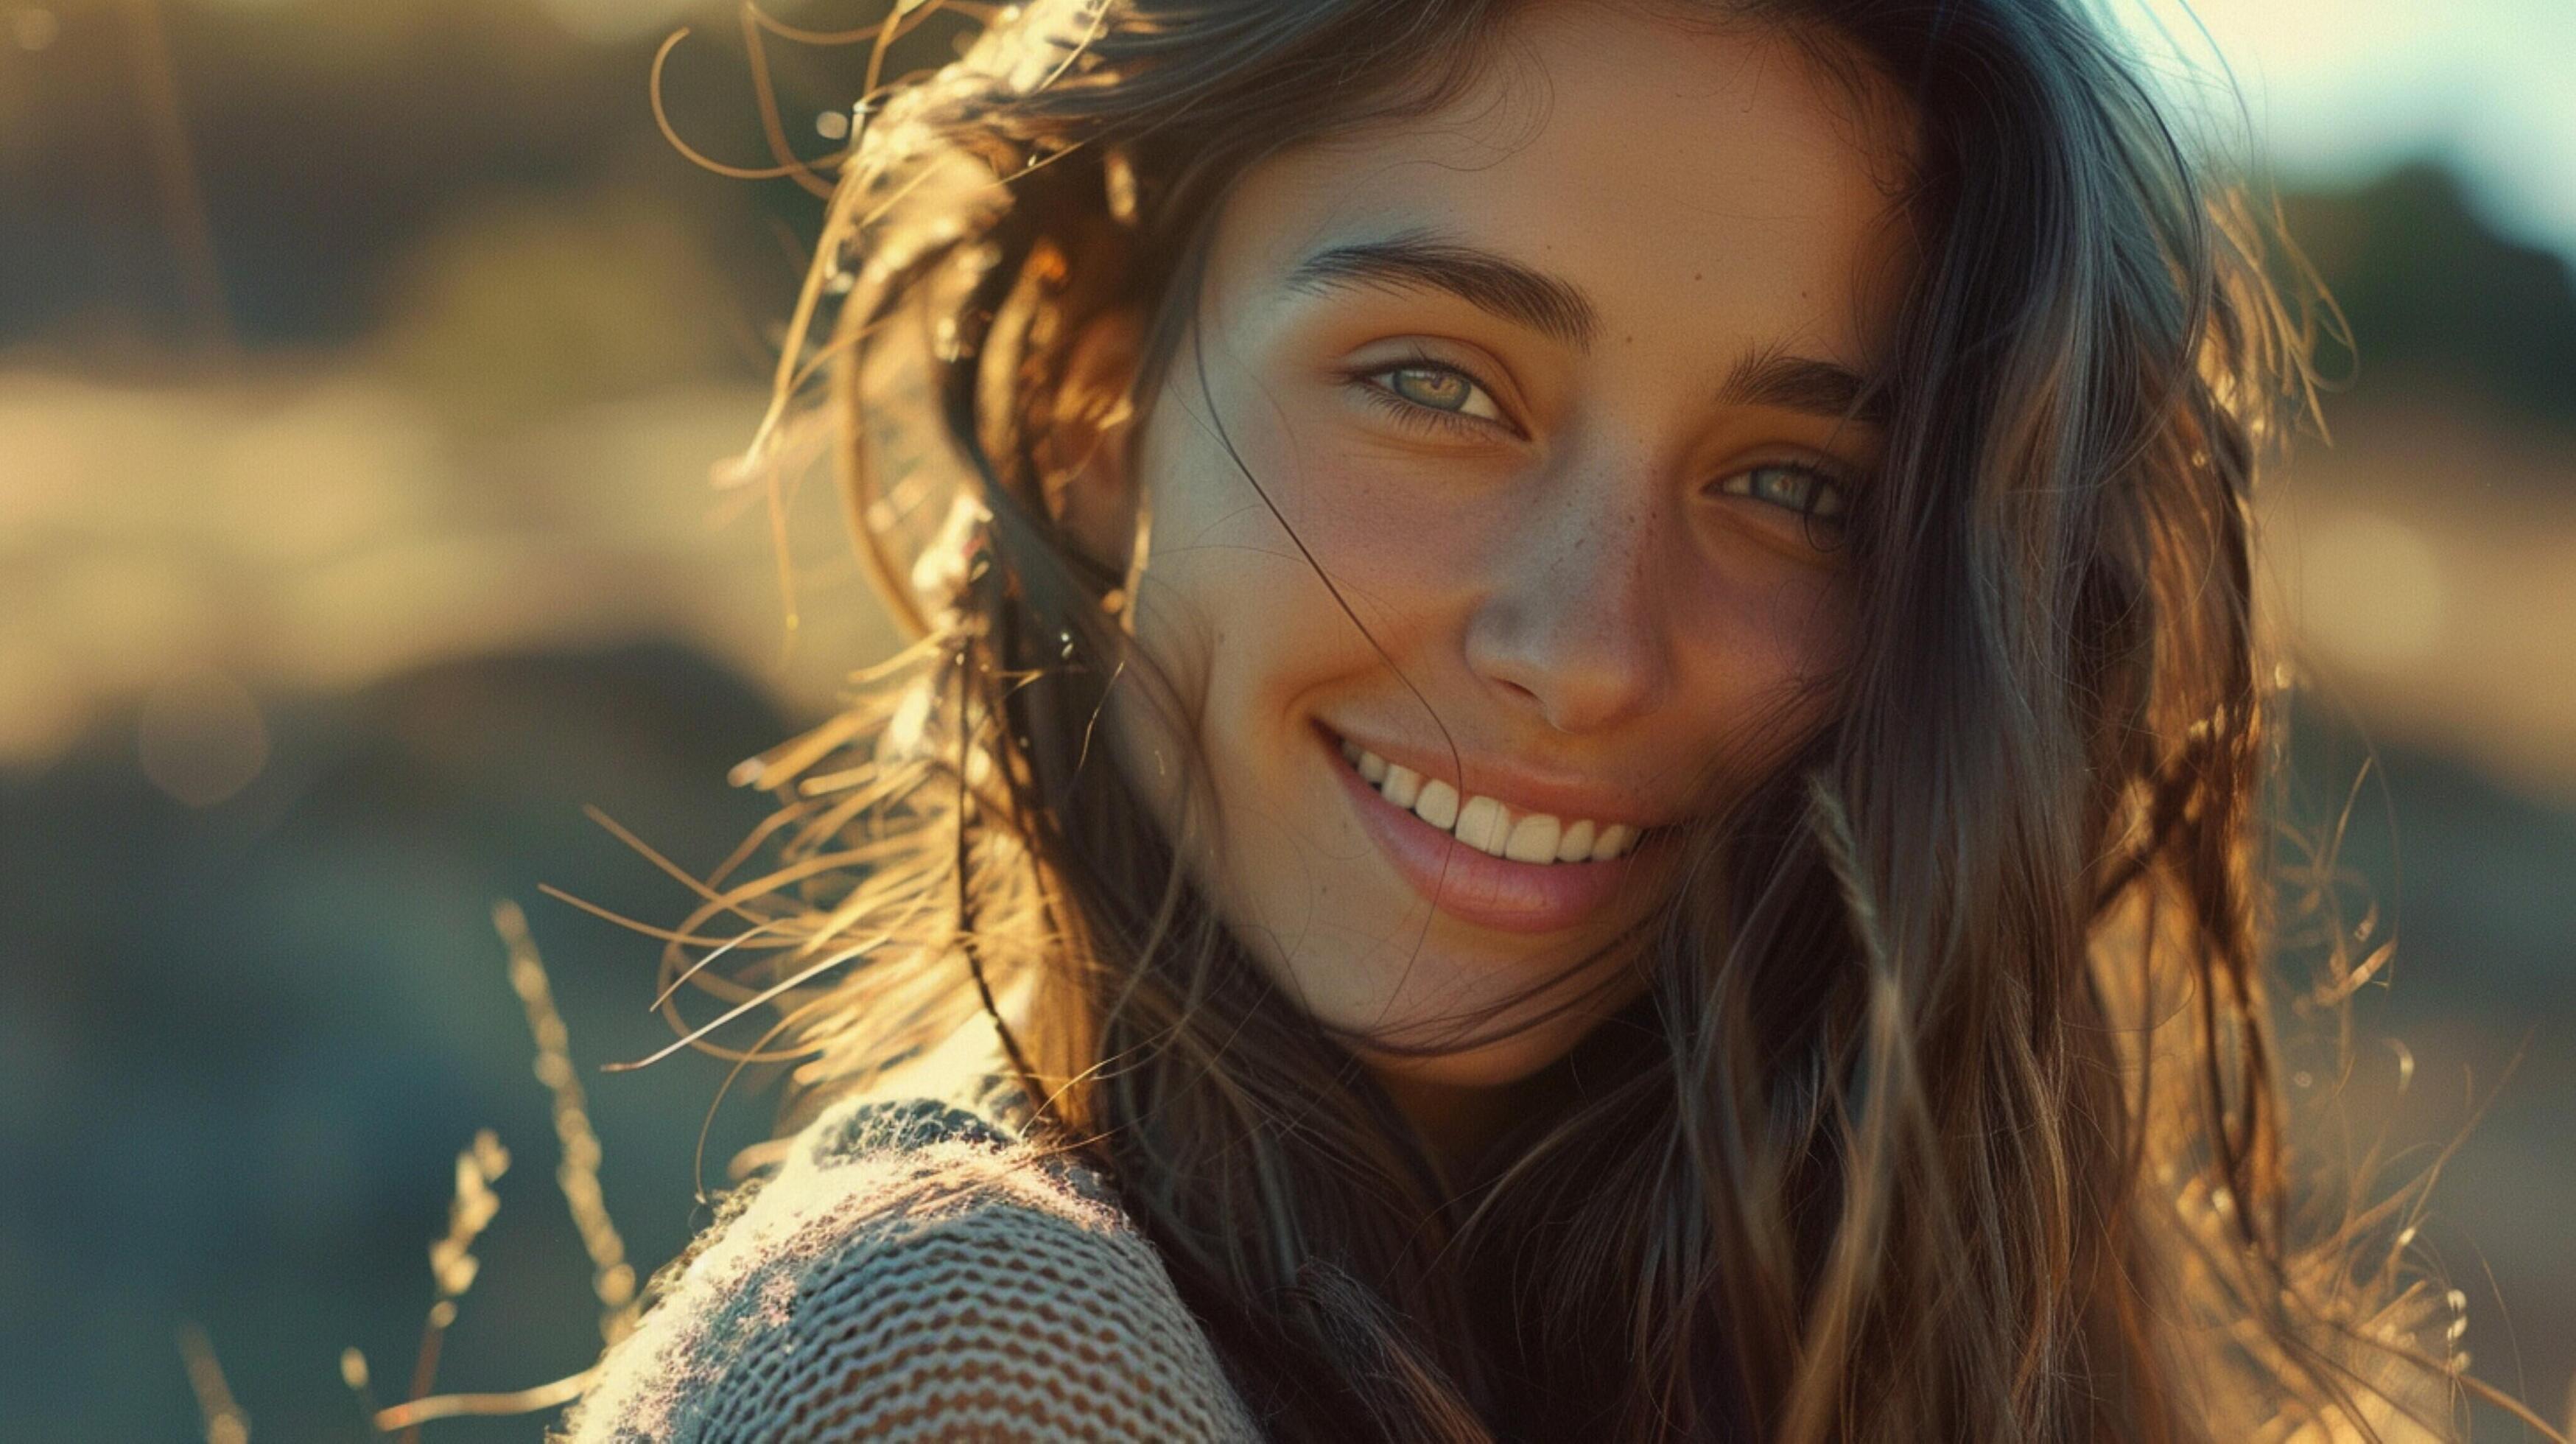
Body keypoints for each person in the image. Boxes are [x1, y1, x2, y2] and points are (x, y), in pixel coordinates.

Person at [556, 0, 2508, 1438]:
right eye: (1432, 381)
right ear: (1092, 396)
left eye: (1796, 489)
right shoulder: (961, 1359)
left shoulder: (1873, 1354)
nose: (1583, 651)